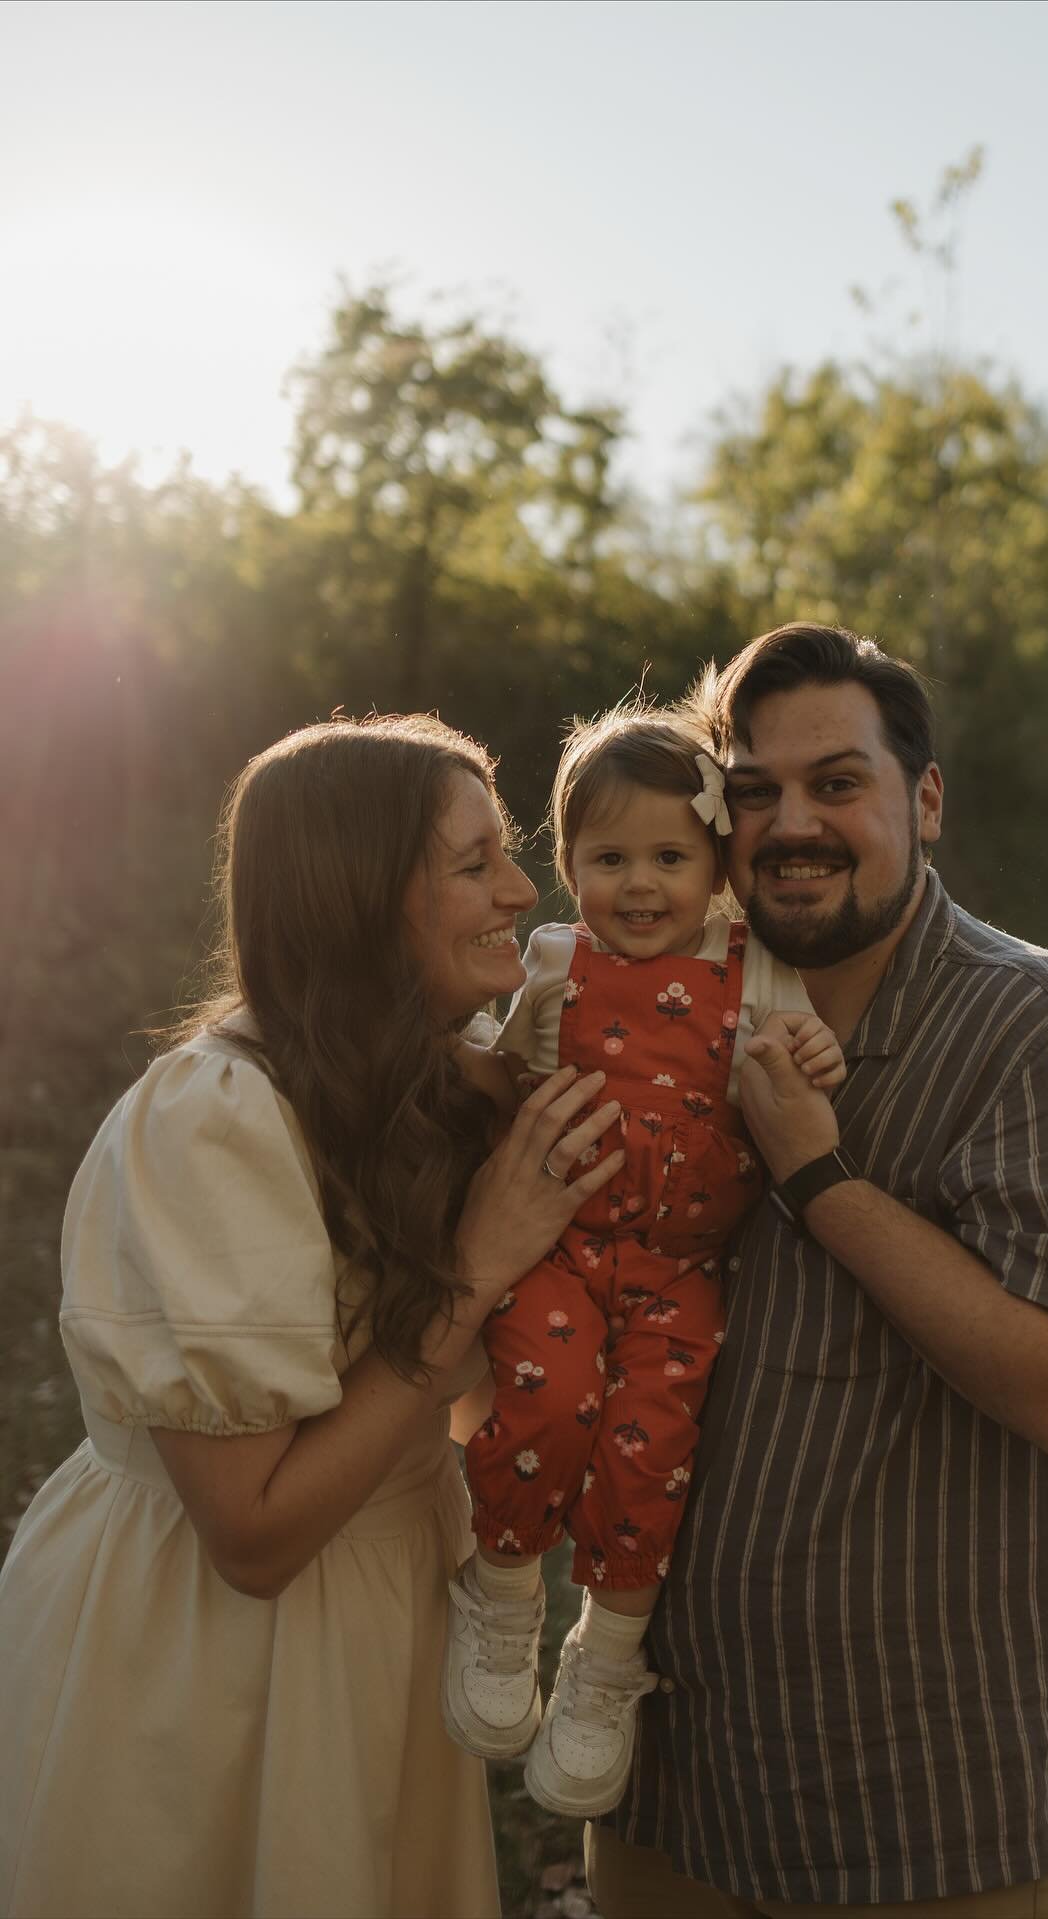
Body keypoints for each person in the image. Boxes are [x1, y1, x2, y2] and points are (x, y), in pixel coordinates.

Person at [589, 625, 1048, 1919]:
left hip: (930, 1807)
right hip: (681, 1781)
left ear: (924, 798)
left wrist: (824, 1180)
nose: (792, 822)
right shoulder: (684, 1002)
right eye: (753, 790)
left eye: (838, 781)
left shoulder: (1039, 1032)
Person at [0, 713, 629, 1919]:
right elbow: (255, 1534)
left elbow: (481, 1410)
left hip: (384, 1602)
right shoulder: (218, 1116)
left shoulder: (426, 1076)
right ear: (360, 895)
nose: (518, 888)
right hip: (211, 1647)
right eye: (472, 862)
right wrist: (478, 1262)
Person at [443, 703, 844, 1822]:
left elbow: (807, 1053)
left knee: (651, 1445)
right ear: (567, 865)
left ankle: (606, 1657)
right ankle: (506, 1595)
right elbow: (497, 1065)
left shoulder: (751, 965)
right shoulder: (557, 964)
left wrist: (813, 1050)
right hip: (561, 1242)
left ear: (716, 865)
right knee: (545, 1397)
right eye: (608, 857)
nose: (639, 883)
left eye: (670, 856)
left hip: (681, 1264)